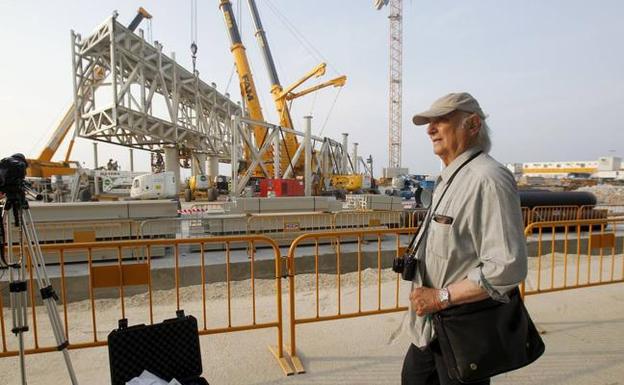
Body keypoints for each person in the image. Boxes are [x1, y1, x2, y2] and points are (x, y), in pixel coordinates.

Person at [401, 92, 528, 385]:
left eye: (442, 120)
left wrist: (441, 297)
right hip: (428, 330)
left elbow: (508, 266)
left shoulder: (488, 179)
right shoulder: (449, 177)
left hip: (462, 331)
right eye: (429, 122)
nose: (430, 129)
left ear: (473, 125)